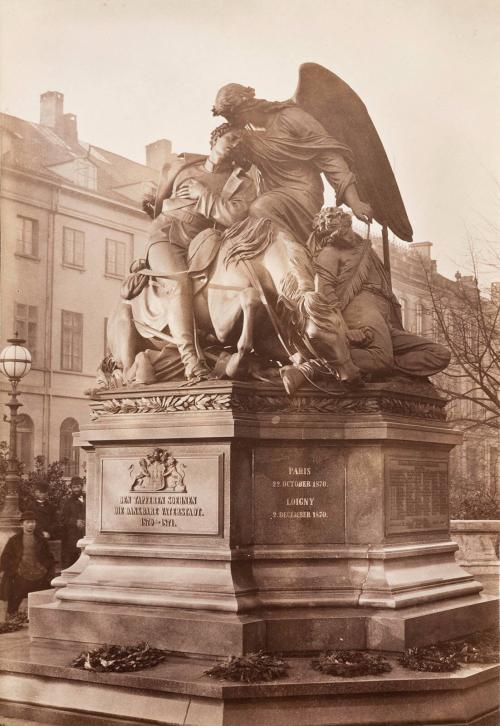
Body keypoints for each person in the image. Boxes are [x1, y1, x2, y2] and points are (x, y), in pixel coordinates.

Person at [109, 123, 256, 381]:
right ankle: (190, 360)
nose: (234, 145)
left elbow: (235, 216)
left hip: (205, 240)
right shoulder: (182, 166)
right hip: (166, 234)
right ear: (216, 137)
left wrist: (204, 195)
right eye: (231, 138)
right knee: (177, 283)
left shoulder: (241, 182)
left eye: (239, 144)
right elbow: (157, 206)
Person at [212, 83, 373, 245]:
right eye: (228, 118)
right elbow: (229, 166)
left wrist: (354, 201)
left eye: (233, 115)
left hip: (302, 191)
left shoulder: (290, 117)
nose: (232, 121)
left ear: (245, 104)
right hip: (270, 193)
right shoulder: (244, 136)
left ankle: (297, 255)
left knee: (260, 208)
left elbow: (329, 156)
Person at [309, 207, 451, 378]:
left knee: (439, 354)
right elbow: (323, 294)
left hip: (383, 316)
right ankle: (315, 365)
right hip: (360, 312)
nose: (332, 224)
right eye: (330, 226)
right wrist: (345, 331)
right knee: (381, 360)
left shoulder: (365, 248)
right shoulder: (329, 253)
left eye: (340, 222)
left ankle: (379, 365)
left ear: (347, 222)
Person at [0, 510, 54, 618]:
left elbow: (49, 557)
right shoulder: (14, 540)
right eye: (27, 522)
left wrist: (44, 568)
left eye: (33, 522)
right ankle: (12, 618)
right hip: (20, 574)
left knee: (42, 601)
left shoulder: (41, 540)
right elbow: (5, 558)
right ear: (22, 524)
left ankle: (40, 620)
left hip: (39, 574)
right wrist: (16, 568)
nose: (30, 525)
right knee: (14, 598)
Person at [60, 476, 86, 569]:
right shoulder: (67, 502)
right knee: (74, 560)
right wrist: (75, 522)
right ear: (71, 488)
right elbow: (63, 518)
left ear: (82, 487)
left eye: (78, 487)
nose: (76, 489)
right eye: (74, 487)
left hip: (86, 533)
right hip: (73, 536)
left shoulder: (89, 499)